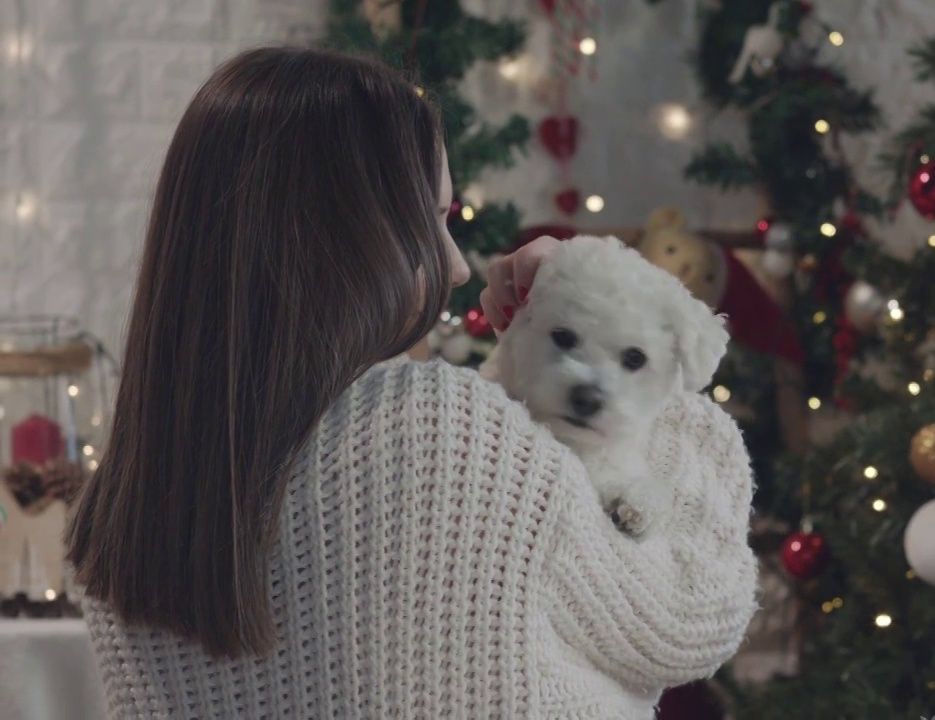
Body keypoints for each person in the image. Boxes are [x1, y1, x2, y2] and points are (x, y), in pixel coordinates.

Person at [65, 46, 757, 718]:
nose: (457, 265)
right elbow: (692, 616)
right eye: (433, 219)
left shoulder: (121, 503)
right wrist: (645, 367)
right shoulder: (433, 430)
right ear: (348, 233)